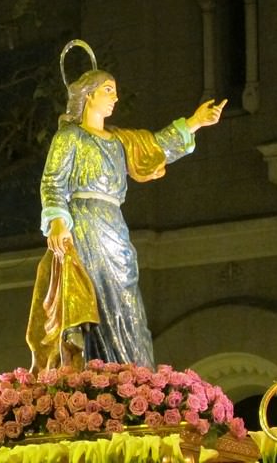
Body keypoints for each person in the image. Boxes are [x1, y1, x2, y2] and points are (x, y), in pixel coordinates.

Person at [26, 65, 226, 372]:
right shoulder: (70, 137)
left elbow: (156, 145)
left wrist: (195, 122)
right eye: (108, 90)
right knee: (94, 295)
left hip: (115, 227)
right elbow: (52, 183)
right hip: (84, 224)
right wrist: (57, 221)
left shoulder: (120, 140)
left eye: (115, 92)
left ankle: (136, 377)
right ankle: (93, 372)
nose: (115, 98)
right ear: (88, 95)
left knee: (127, 302)